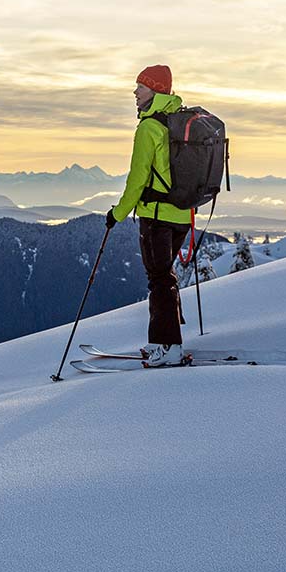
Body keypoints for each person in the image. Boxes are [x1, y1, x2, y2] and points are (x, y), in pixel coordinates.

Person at [105, 64, 192, 366]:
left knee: (158, 280)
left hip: (156, 216)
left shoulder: (149, 128)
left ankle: (167, 347)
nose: (135, 92)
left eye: (140, 87)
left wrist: (117, 214)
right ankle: (166, 342)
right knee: (165, 277)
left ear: (154, 91)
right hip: (182, 216)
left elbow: (137, 179)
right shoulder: (177, 121)